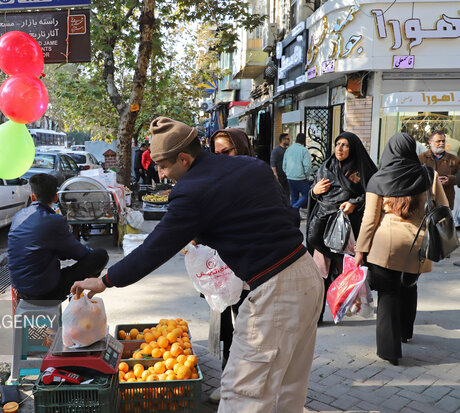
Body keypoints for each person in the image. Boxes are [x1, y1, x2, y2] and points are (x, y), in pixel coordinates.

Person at [71, 117, 323, 412]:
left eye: (164, 167)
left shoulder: (191, 191)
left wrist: (105, 280)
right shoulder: (252, 166)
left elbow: (156, 248)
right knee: (287, 390)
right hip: (306, 273)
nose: (162, 175)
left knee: (244, 395)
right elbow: (287, 218)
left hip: (275, 292)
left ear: (184, 159)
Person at [355, 133, 447, 365]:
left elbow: (369, 220)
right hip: (417, 245)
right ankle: (406, 332)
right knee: (409, 286)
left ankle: (390, 351)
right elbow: (443, 207)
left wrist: (360, 251)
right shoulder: (428, 175)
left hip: (386, 247)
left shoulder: (378, 178)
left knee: (388, 295)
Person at [306, 132, 377, 324]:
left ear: (352, 148)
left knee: (347, 272)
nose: (339, 148)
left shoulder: (362, 169)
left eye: (345, 145)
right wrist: (314, 191)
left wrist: (355, 203)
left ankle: (347, 306)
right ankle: (316, 316)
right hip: (322, 230)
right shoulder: (326, 166)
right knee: (320, 274)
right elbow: (314, 195)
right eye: (337, 144)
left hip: (347, 232)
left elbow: (374, 196)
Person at [206, 128, 254, 404]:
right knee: (226, 330)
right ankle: (228, 384)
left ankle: (246, 386)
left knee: (248, 332)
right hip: (221, 272)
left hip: (251, 271)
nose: (222, 158)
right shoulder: (215, 179)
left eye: (228, 151)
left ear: (242, 148)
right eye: (216, 154)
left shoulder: (258, 177)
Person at [7, 173, 109, 301]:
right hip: (45, 292)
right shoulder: (54, 221)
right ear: (56, 198)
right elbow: (80, 253)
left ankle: (78, 291)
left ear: (33, 197)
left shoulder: (19, 216)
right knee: (100, 256)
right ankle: (79, 292)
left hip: (20, 288)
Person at [418, 130, 459, 209]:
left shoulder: (454, 160)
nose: (442, 143)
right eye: (438, 141)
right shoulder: (421, 158)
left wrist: (450, 179)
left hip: (446, 202)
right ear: (430, 142)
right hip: (425, 201)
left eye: (443, 141)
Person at [283, 133, 312, 209]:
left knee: (294, 197)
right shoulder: (304, 150)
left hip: (290, 177)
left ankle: (293, 217)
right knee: (308, 194)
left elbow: (284, 164)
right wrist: (307, 176)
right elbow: (308, 166)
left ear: (296, 139)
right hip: (300, 178)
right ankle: (294, 207)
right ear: (304, 141)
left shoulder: (289, 149)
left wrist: (287, 173)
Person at [271, 132, 290, 198]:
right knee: (279, 194)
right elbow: (273, 164)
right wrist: (275, 176)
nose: (289, 141)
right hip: (280, 176)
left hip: (287, 176)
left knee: (287, 194)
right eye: (287, 139)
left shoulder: (287, 150)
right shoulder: (276, 150)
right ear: (283, 140)